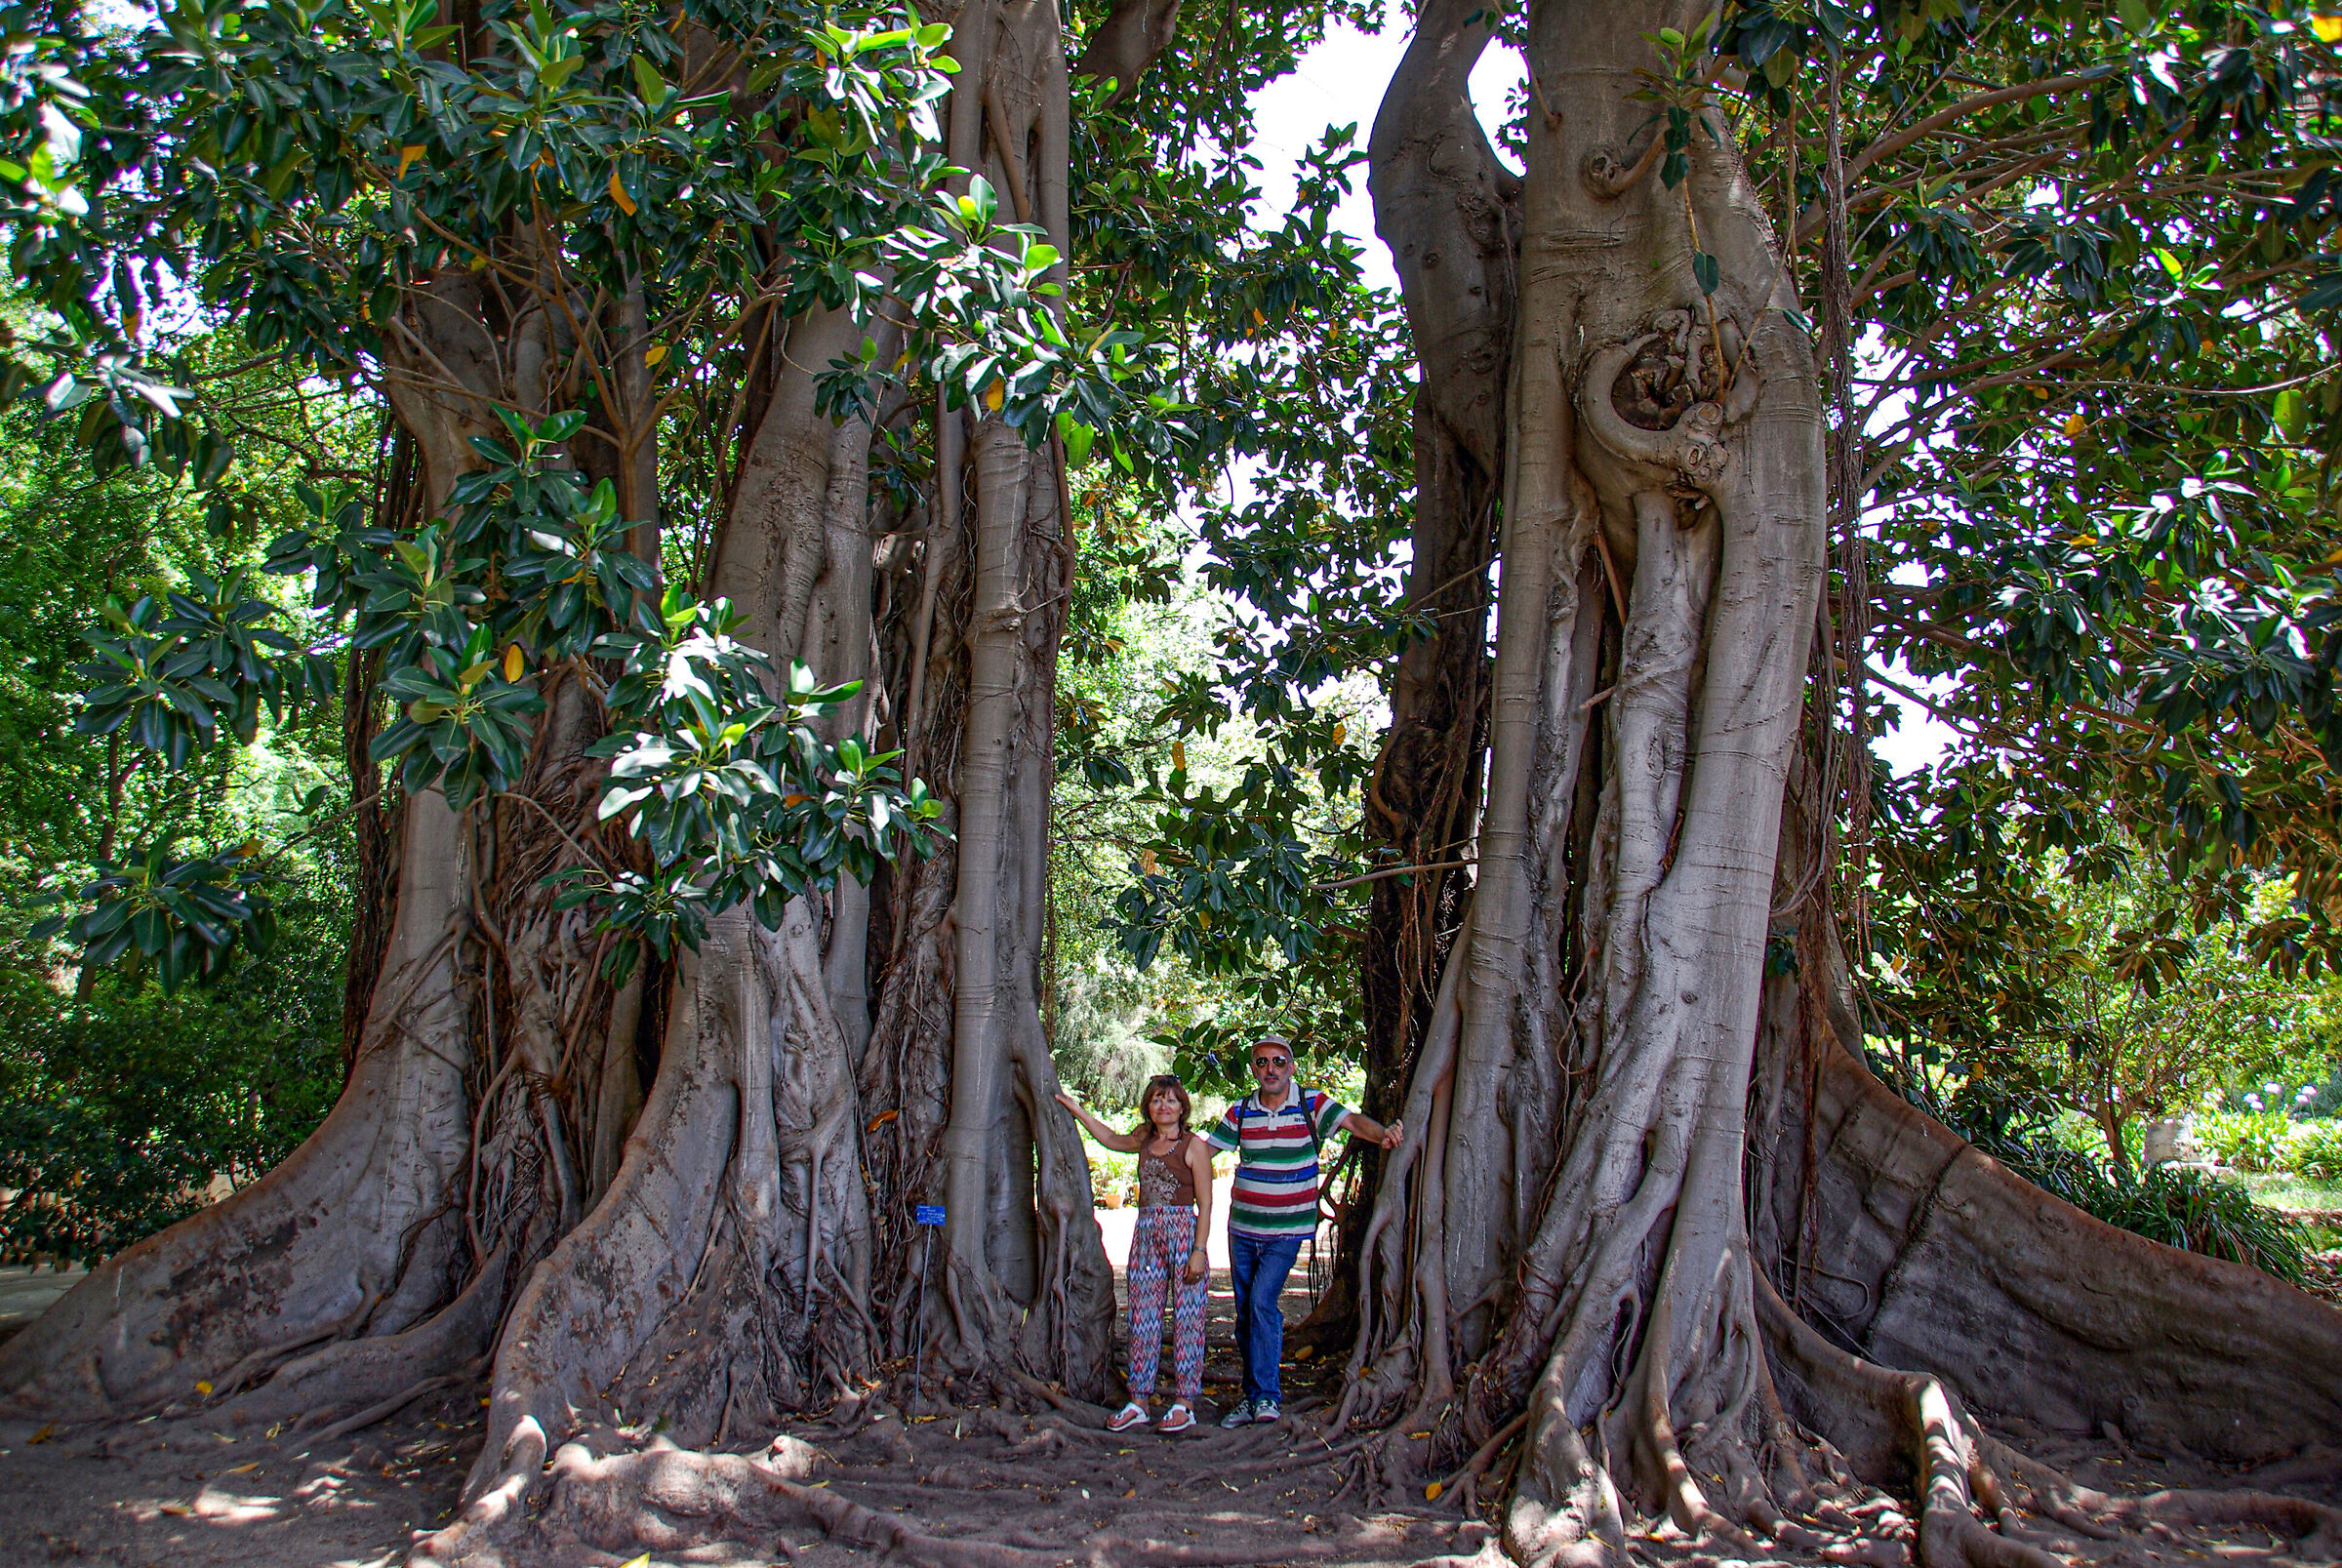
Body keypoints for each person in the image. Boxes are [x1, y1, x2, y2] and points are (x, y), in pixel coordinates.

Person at [1204, 1034, 1401, 1427]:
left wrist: (1383, 1135)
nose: (1270, 1069)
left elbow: (1351, 1122)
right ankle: (1252, 1395)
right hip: (1243, 1227)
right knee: (1246, 1313)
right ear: (1255, 1069)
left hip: (1287, 1229)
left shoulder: (1312, 1104)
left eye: (1278, 1061)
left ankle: (1267, 1397)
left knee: (1262, 1302)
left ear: (1290, 1066)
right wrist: (1159, 1144)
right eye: (1261, 1063)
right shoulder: (1242, 1111)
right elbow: (1204, 1151)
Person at [1055, 1074, 1215, 1434]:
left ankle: (1184, 1403)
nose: (1164, 1106)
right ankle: (1139, 1400)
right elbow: (1110, 1139)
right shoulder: (1144, 1138)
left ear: (1182, 1107)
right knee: (1143, 1317)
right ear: (1148, 1106)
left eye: (1171, 1100)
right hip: (1146, 1234)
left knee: (1189, 1318)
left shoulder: (1194, 1146)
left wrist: (1199, 1251)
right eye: (1157, 1099)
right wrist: (1075, 1109)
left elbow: (1205, 1204)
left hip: (1183, 1233)